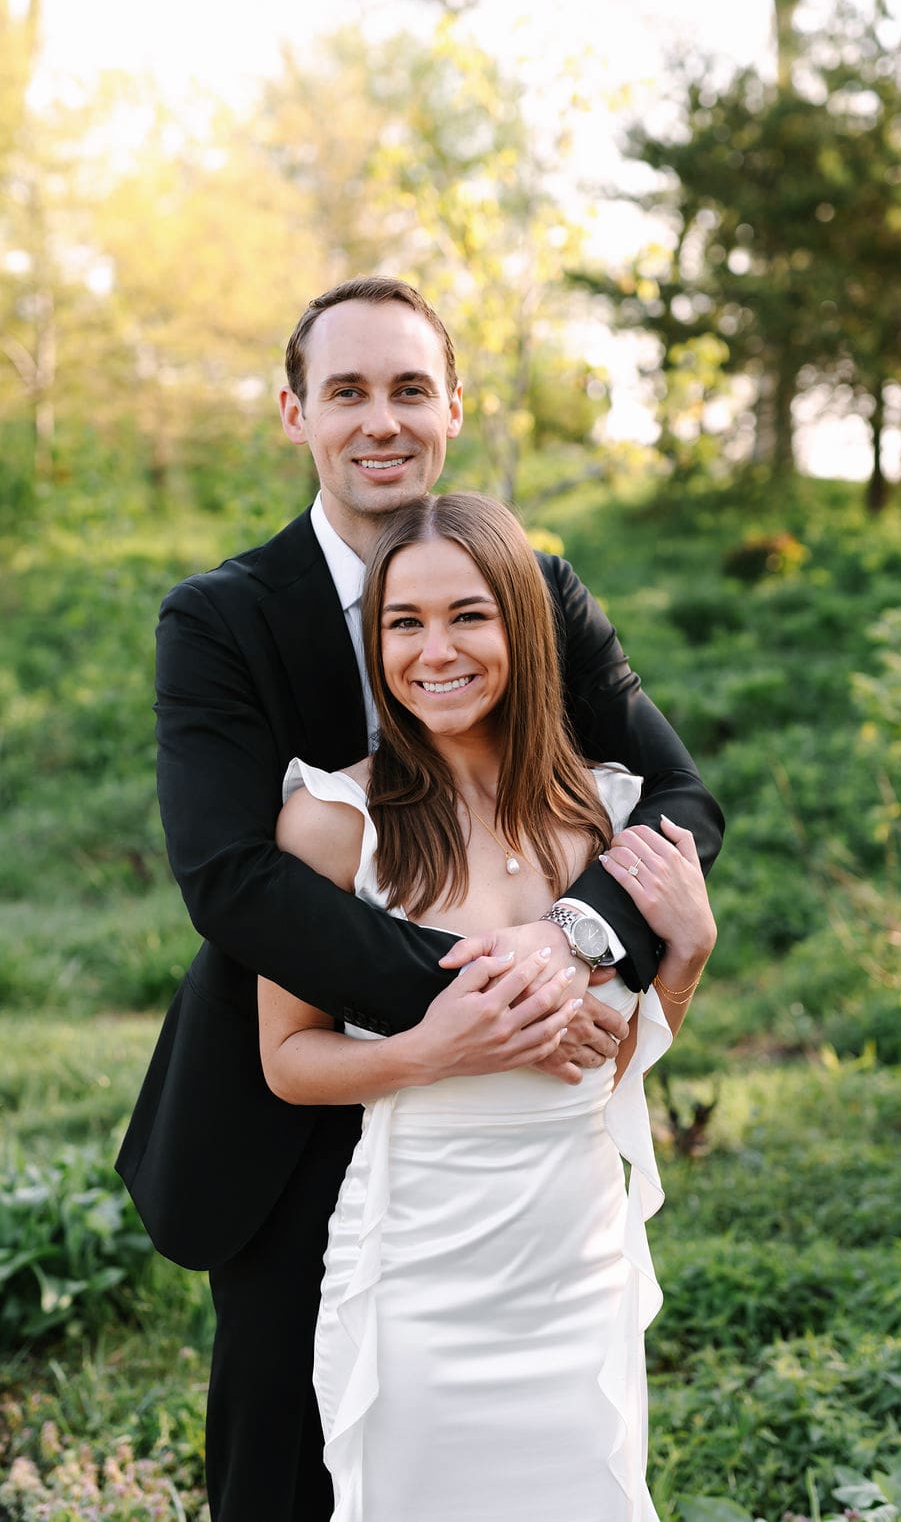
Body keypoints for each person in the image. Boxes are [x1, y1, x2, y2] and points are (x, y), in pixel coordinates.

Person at [115, 276, 724, 1522]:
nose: (380, 420)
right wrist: (484, 1008)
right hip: (300, 1091)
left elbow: (675, 796)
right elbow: (229, 878)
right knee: (288, 1455)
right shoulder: (222, 617)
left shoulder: (533, 590)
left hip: (527, 1163)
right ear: (295, 414)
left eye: (408, 388)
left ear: (453, 406)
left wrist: (571, 944)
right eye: (346, 391)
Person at [259, 491, 717, 1521]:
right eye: (404, 622)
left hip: (578, 1261)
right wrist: (434, 1050)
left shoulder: (603, 813)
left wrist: (686, 957)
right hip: (421, 1271)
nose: (435, 651)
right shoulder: (333, 821)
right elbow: (287, 1059)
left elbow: (612, 1062)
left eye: (468, 615)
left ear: (523, 624)